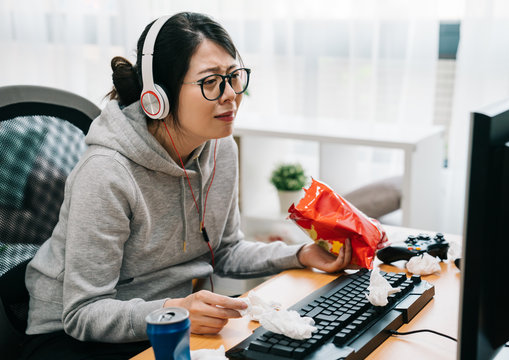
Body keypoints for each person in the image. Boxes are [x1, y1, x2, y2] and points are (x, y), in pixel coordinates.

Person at [20, 12, 359, 360]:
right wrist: (176, 309)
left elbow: (225, 250)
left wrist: (300, 255)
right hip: (70, 340)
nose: (230, 96)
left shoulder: (221, 148)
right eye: (211, 81)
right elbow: (83, 313)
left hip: (167, 323)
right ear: (158, 96)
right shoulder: (107, 173)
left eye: (234, 77)